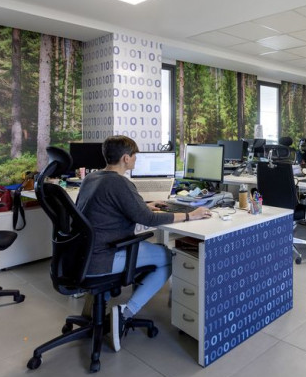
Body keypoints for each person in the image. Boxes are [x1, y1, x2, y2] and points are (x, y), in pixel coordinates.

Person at [76, 135, 211, 352]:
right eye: (134, 156)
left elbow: (110, 207)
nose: (135, 160)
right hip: (107, 255)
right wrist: (190, 215)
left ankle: (98, 305)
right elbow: (149, 220)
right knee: (169, 257)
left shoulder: (91, 178)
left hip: (83, 256)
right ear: (126, 158)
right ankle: (125, 313)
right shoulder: (120, 183)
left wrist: (144, 205)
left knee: (156, 253)